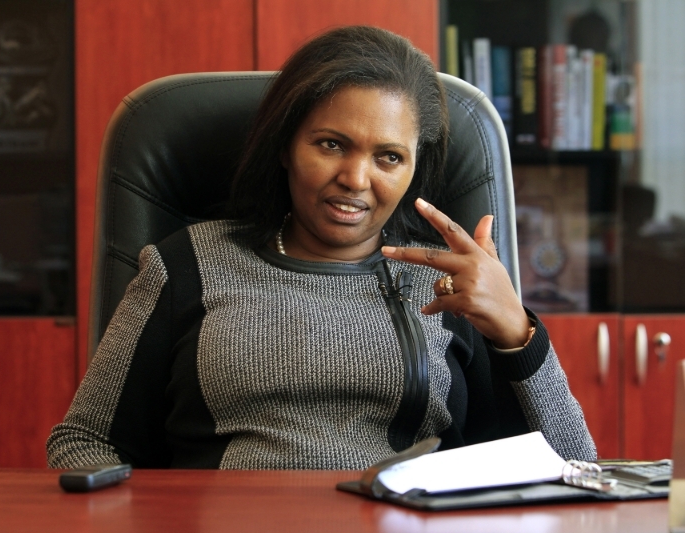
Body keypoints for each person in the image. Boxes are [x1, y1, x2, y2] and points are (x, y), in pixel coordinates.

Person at [47, 26, 596, 470]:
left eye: (389, 157)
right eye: (331, 144)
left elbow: (574, 466)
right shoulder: (188, 264)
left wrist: (515, 329)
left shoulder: (453, 286)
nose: (356, 178)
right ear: (285, 146)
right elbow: (83, 443)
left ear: (414, 169)